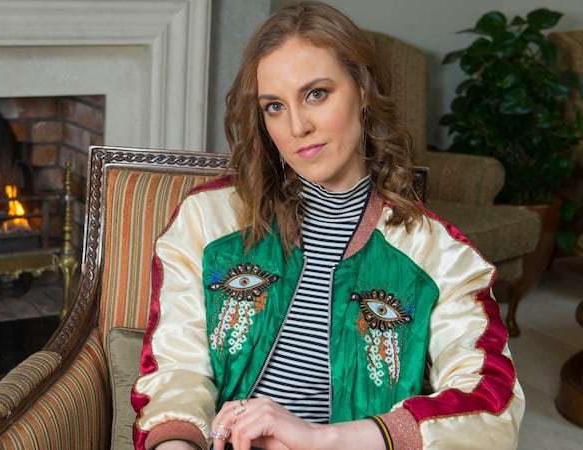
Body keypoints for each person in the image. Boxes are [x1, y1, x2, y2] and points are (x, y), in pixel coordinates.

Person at [130, 2, 524, 449]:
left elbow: (493, 407)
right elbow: (175, 373)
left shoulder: (441, 259)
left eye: (316, 93)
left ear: (363, 90)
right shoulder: (207, 223)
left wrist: (320, 439)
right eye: (274, 106)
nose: (297, 126)